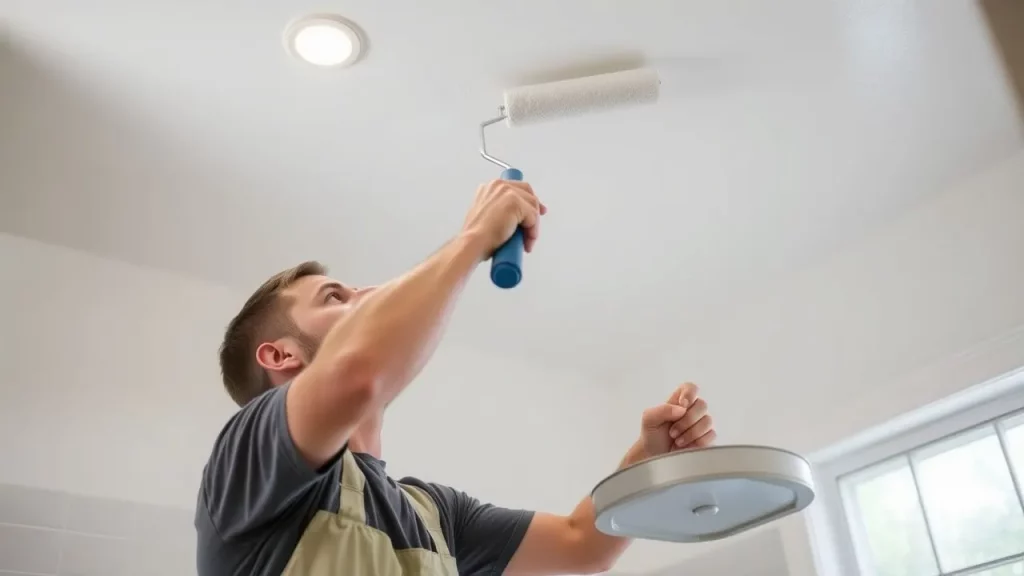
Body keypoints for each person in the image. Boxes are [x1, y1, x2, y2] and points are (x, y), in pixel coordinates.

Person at [195, 178, 717, 575]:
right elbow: (358, 374)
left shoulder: (433, 513)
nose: (368, 293)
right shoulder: (249, 460)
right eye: (336, 297)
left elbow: (583, 543)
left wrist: (643, 463)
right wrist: (474, 238)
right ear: (280, 356)